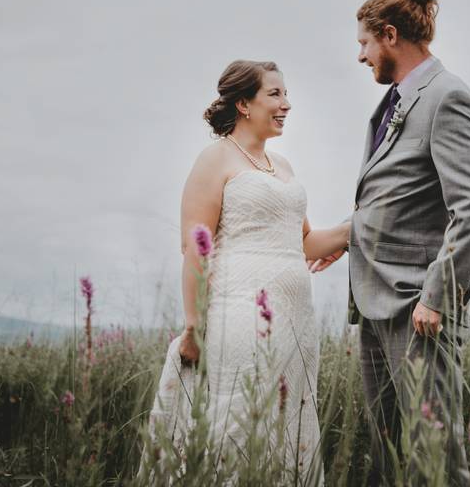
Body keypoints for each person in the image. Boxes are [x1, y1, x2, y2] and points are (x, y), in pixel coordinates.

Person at [146, 60, 348, 484]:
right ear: (243, 103)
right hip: (238, 317)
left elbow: (305, 243)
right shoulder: (214, 160)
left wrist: (357, 229)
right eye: (275, 94)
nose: (286, 104)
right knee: (236, 430)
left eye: (286, 94)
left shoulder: (284, 167)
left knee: (287, 432)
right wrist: (194, 326)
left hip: (296, 325)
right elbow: (194, 249)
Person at [348, 0, 470, 485]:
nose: (362, 56)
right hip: (376, 305)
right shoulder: (392, 102)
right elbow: (392, 199)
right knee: (389, 455)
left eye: (365, 43)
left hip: (418, 310)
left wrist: (436, 296)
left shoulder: (447, 96)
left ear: (389, 35)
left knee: (435, 456)